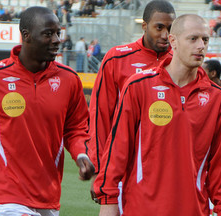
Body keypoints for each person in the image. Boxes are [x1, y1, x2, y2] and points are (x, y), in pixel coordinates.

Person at [93, 14, 221, 216]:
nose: (201, 46)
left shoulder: (217, 98)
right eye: (193, 39)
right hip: (141, 208)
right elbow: (118, 149)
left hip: (193, 209)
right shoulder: (139, 86)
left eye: (205, 40)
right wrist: (108, 200)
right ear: (173, 41)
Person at [0, 6, 94, 215]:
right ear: (26, 36)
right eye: (48, 34)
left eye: (58, 33)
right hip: (6, 195)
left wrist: (82, 155)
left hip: (48, 196)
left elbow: (75, 129)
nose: (57, 39)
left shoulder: (69, 80)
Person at [89, 0, 176, 198]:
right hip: (123, 168)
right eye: (159, 27)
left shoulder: (180, 62)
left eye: (170, 28)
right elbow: (99, 117)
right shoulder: (116, 59)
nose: (165, 35)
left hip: (169, 169)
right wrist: (99, 170)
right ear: (144, 26)